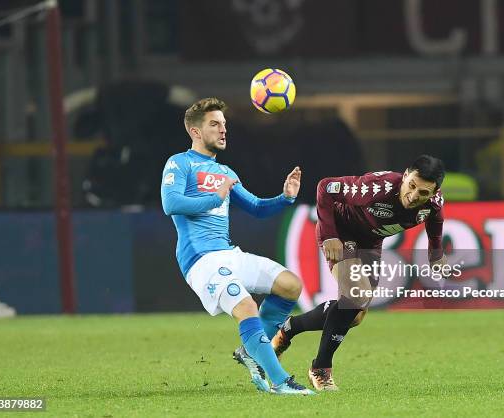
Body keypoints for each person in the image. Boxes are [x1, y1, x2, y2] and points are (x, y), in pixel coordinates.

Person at [161, 97, 313, 395]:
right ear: (195, 131)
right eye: (214, 124)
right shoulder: (180, 163)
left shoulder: (227, 173)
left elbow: (256, 207)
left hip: (229, 253)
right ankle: (281, 381)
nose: (222, 130)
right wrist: (214, 198)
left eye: (224, 125)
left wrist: (285, 198)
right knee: (246, 307)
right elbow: (171, 203)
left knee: (290, 286)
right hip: (200, 260)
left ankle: (249, 352)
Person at [271, 155, 447, 391]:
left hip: (370, 243)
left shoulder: (433, 203)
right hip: (340, 232)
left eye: (423, 193)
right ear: (405, 175)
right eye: (412, 186)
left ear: (434, 192)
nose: (414, 196)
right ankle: (320, 368)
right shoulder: (377, 188)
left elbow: (435, 222)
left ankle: (288, 329)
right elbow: (326, 187)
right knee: (356, 295)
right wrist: (331, 235)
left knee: (354, 315)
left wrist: (435, 254)